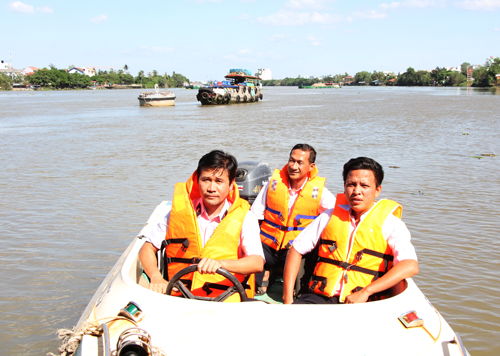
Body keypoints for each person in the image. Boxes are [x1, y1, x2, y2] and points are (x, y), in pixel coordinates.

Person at [283, 157, 419, 304]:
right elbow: (295, 250)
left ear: (377, 190)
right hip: (320, 297)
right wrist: (287, 298)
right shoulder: (328, 216)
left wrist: (367, 291)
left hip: (366, 301)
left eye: (364, 186)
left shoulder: (391, 224)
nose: (357, 191)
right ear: (344, 186)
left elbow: (410, 265)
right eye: (351, 184)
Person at [139, 150, 265, 302]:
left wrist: (221, 264)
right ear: (197, 181)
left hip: (226, 299)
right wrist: (156, 277)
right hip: (179, 296)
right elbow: (147, 248)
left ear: (231, 185)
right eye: (206, 180)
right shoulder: (179, 212)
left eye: (219, 181)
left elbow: (257, 262)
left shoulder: (245, 216)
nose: (212, 188)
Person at [251, 144, 336, 301]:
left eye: (299, 162)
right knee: (248, 247)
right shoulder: (273, 184)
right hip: (268, 245)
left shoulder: (320, 192)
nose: (293, 166)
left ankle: (293, 294)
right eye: (291, 160)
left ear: (311, 166)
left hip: (295, 251)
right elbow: (254, 216)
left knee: (306, 260)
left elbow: (336, 217)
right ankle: (256, 281)